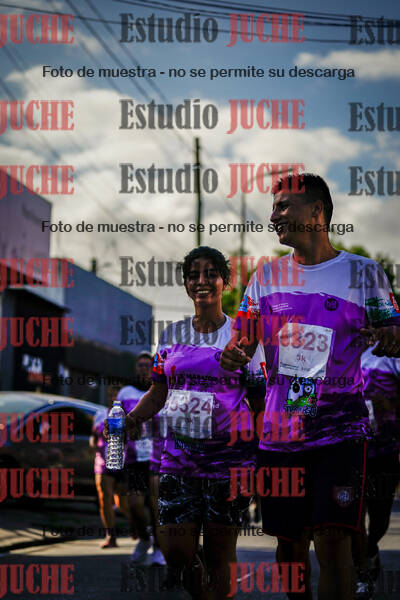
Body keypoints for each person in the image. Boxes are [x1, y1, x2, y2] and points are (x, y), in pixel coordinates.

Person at [220, 172, 400, 600]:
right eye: (273, 207)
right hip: (281, 434)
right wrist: (233, 354)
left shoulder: (362, 272)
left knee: (334, 540)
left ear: (317, 211)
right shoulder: (265, 276)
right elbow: (241, 340)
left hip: (341, 431)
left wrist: (391, 335)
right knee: (290, 544)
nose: (273, 216)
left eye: (284, 206)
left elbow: (394, 328)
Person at [120, 246, 263, 600]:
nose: (202, 281)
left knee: (218, 554)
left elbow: (260, 400)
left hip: (229, 462)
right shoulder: (171, 335)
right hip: (178, 461)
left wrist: (264, 456)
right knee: (177, 555)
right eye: (193, 275)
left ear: (225, 282)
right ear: (186, 284)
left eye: (211, 274)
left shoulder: (243, 336)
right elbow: (158, 392)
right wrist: (131, 419)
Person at [353, 346, 400, 599]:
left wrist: (391, 403)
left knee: (380, 518)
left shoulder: (389, 350)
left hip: (384, 450)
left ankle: (370, 548)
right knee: (353, 516)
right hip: (347, 450)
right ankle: (362, 574)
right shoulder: (337, 346)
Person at [116, 351, 166, 565]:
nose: (144, 368)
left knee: (156, 506)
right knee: (134, 505)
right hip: (134, 458)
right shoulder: (125, 392)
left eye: (148, 365)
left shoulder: (163, 390)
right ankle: (145, 539)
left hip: (157, 458)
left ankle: (159, 548)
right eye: (140, 365)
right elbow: (116, 421)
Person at [90, 389, 130, 548]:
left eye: (116, 395)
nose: (112, 397)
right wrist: (93, 446)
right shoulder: (99, 414)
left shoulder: (129, 415)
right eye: (110, 394)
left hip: (122, 462)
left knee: (122, 503)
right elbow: (93, 437)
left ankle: (140, 526)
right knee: (104, 498)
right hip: (102, 463)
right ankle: (111, 536)